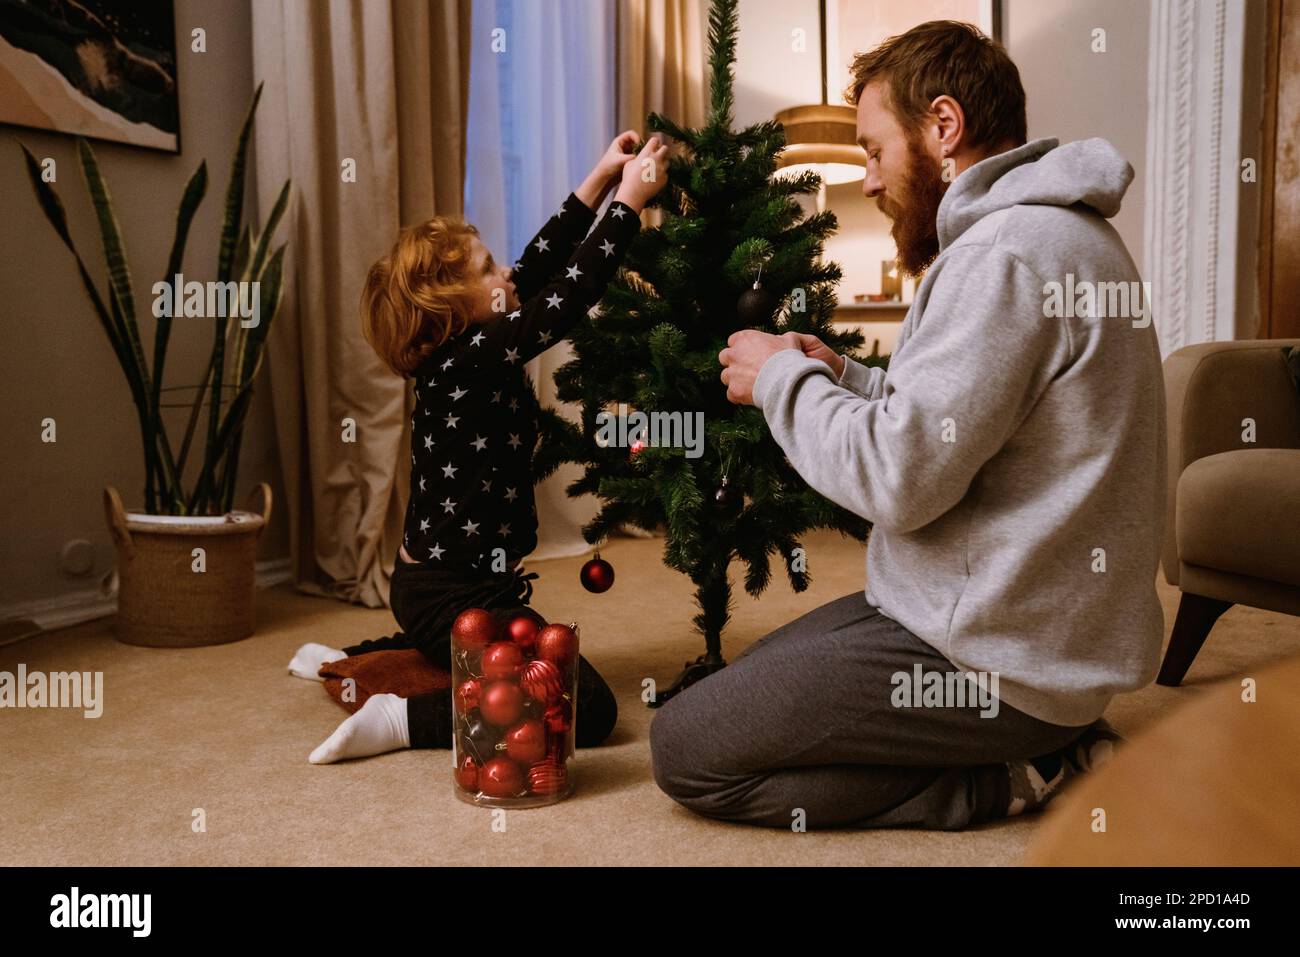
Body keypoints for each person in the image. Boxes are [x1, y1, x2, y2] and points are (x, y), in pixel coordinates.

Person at [655, 20, 1164, 829]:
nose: (868, 178)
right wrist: (843, 376)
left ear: (943, 127)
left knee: (688, 747)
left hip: (1004, 660)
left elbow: (900, 481)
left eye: (874, 149)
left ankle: (1011, 773)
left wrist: (781, 378)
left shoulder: (1003, 255)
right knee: (743, 692)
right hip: (1002, 626)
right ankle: (1044, 734)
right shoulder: (1046, 234)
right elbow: (969, 422)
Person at [288, 133, 672, 764]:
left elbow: (545, 263)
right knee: (589, 709)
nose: (506, 273)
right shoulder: (468, 359)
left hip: (437, 589)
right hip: (452, 594)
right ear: (451, 308)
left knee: (479, 650)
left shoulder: (472, 341)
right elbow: (570, 295)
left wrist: (600, 177)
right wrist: (630, 201)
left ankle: (348, 660)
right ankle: (402, 717)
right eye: (488, 268)